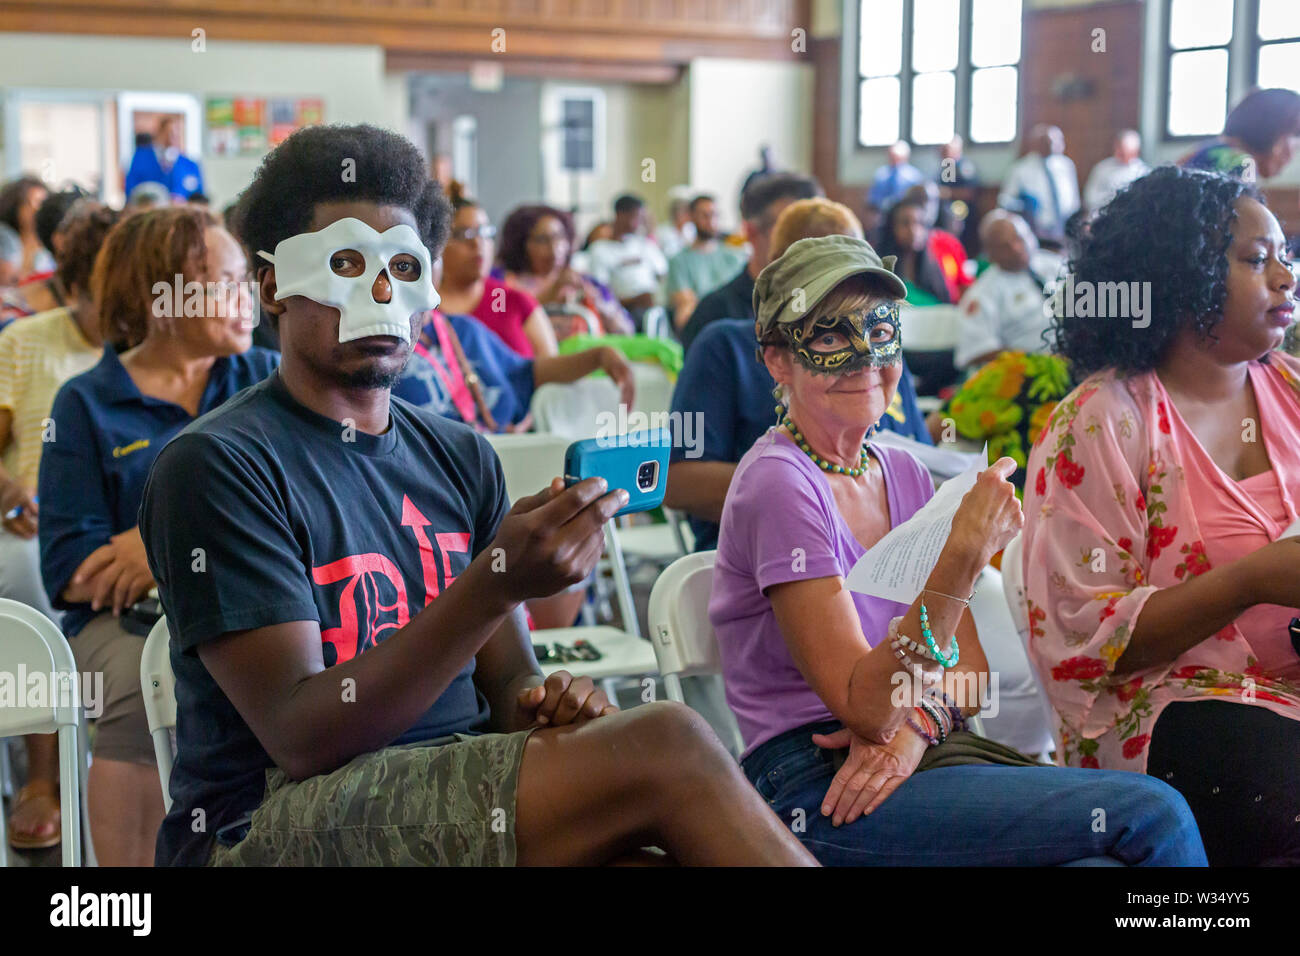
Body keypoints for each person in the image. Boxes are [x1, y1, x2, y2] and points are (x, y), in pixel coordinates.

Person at [139, 122, 817, 868]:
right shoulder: (217, 466)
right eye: (344, 264)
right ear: (273, 285)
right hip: (264, 822)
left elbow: (507, 682)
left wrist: (549, 706)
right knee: (671, 738)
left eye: (403, 266)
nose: (381, 293)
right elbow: (303, 736)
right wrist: (496, 582)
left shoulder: (460, 454)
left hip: (455, 787)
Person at [707, 232, 1207, 866]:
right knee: (1155, 813)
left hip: (922, 753)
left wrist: (917, 728)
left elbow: (971, 675)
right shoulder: (779, 484)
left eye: (881, 331)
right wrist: (963, 558)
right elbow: (864, 706)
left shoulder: (904, 472)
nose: (866, 360)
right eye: (830, 338)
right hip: (811, 785)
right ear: (777, 359)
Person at [1023, 165, 1300, 866]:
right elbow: (1087, 641)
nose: (1285, 278)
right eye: (1256, 260)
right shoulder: (1101, 422)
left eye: (1285, 256)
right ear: (1185, 279)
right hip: (1166, 710)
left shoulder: (1292, 390)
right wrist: (1252, 581)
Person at [38, 206, 277, 866]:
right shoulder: (86, 404)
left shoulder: (267, 380)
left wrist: (154, 546)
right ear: (165, 297)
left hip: (254, 607)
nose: (249, 298)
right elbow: (71, 569)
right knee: (138, 690)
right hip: (123, 628)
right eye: (227, 282)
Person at [667, 198, 931, 554]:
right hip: (772, 548)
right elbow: (675, 480)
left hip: (895, 546)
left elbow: (924, 455)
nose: (863, 358)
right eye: (830, 334)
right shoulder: (724, 345)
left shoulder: (880, 356)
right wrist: (821, 490)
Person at [0, 206, 118, 852]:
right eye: (103, 296)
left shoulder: (158, 349)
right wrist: (7, 487)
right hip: (34, 523)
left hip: (121, 527)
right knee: (24, 578)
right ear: (73, 286)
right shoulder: (26, 340)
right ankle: (42, 774)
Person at [394, 260, 635, 431]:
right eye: (403, 264)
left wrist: (600, 357)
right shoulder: (383, 351)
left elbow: (529, 373)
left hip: (504, 456)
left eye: (430, 255)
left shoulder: (461, 330)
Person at [679, 172, 821, 353]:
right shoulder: (714, 319)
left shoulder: (828, 308)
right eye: (789, 231)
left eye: (814, 233)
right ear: (751, 232)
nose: (806, 245)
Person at [435, 190, 557, 359]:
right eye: (464, 234)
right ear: (438, 244)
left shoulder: (515, 302)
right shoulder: (424, 310)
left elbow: (551, 373)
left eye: (484, 233)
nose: (477, 243)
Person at [495, 203, 633, 338]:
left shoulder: (587, 282)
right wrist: (551, 294)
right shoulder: (500, 282)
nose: (554, 247)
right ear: (521, 244)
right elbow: (497, 326)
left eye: (560, 237)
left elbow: (626, 332)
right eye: (542, 239)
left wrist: (599, 305)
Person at [954, 210, 1062, 370]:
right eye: (1005, 246)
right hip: (1029, 372)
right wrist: (1036, 362)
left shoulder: (1057, 264)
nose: (1016, 248)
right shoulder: (982, 294)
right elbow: (978, 351)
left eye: (1019, 238)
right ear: (989, 254)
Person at [1181, 87, 1300, 182]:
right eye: (1296, 133)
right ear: (1272, 131)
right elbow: (1241, 210)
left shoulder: (1209, 150)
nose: (1295, 148)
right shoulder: (1241, 162)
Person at [665, 194, 747, 330]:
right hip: (702, 324)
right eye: (705, 215)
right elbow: (685, 307)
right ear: (691, 217)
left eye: (714, 215)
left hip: (735, 322)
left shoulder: (735, 257)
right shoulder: (679, 261)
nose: (711, 221)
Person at [583, 194, 668, 322]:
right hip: (623, 312)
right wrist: (635, 300)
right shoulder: (599, 250)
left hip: (655, 307)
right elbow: (601, 293)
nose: (640, 223)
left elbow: (663, 275)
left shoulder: (645, 245)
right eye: (637, 217)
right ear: (620, 215)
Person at [998, 124, 1080, 244]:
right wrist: (1023, 206)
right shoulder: (1021, 168)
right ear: (1036, 144)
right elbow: (1004, 200)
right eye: (1048, 142)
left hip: (1066, 228)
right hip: (1037, 232)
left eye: (1058, 141)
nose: (1054, 145)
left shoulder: (1066, 165)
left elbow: (1074, 196)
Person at [874, 197, 951, 306]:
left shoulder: (933, 270)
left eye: (919, 223)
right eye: (905, 223)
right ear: (891, 228)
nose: (913, 230)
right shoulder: (879, 271)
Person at [124, 117, 205, 200]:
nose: (172, 137)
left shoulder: (190, 165)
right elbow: (130, 191)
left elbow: (200, 196)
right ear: (159, 133)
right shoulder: (141, 159)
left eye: (176, 134)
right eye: (169, 133)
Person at [1084, 129, 1148, 214]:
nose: (1122, 156)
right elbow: (1090, 197)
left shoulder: (1143, 172)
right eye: (1120, 151)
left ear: (1136, 152)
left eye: (1127, 153)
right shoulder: (1102, 167)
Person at [0, 175, 52, 279]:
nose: (35, 209)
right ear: (15, 207)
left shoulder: (52, 246)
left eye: (41, 203)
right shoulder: (5, 243)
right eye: (27, 203)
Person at [867, 140, 924, 212]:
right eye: (892, 157)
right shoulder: (880, 174)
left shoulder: (914, 177)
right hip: (882, 213)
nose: (894, 161)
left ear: (905, 158)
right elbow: (873, 198)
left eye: (897, 158)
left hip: (905, 213)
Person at [652, 189, 695, 261]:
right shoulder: (661, 232)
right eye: (679, 209)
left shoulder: (693, 231)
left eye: (686, 210)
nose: (683, 214)